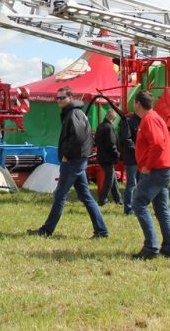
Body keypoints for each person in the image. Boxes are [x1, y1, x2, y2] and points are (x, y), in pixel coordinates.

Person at [28, 87, 109, 239]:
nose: (59, 100)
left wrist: (67, 154)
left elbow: (78, 138)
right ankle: (102, 231)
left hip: (73, 161)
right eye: (57, 98)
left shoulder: (73, 113)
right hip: (78, 160)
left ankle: (46, 230)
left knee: (60, 195)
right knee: (86, 196)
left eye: (62, 97)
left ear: (70, 97)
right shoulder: (75, 112)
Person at [131, 90, 170, 259]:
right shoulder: (153, 117)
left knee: (138, 204)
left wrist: (147, 166)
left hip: (156, 170)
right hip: (162, 169)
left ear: (138, 104)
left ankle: (151, 247)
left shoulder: (149, 119)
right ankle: (168, 249)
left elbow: (157, 145)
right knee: (162, 210)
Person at [95, 109, 122, 206]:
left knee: (112, 178)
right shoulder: (109, 127)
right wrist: (117, 154)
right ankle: (102, 199)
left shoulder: (100, 126)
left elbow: (96, 141)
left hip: (101, 156)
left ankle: (118, 199)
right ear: (113, 118)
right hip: (108, 157)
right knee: (109, 179)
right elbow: (111, 144)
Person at [119, 113, 141, 215]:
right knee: (132, 183)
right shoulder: (128, 120)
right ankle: (128, 208)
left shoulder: (144, 120)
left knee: (139, 183)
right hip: (132, 158)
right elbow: (126, 139)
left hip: (140, 158)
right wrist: (137, 150)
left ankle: (136, 206)